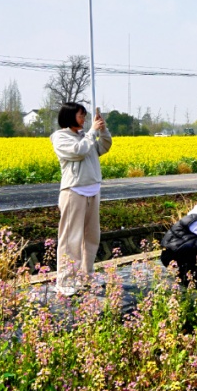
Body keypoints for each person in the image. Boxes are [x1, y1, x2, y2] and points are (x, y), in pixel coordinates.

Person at [51, 102, 112, 296]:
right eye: (81, 115)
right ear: (69, 117)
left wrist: (102, 130)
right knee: (71, 238)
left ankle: (86, 275)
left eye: (85, 115)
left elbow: (104, 146)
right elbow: (78, 151)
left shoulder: (85, 136)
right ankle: (65, 281)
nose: (84, 119)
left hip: (93, 190)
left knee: (91, 237)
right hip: (74, 191)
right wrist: (92, 132)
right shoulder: (60, 137)